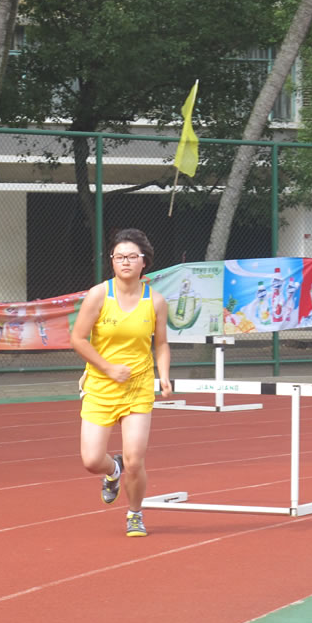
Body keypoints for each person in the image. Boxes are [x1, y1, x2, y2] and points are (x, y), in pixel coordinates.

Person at [70, 228, 172, 537]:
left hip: (138, 387)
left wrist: (164, 375)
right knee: (91, 460)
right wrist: (107, 368)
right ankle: (113, 471)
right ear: (112, 261)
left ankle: (135, 513)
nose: (125, 262)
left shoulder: (155, 301)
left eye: (131, 256)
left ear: (144, 261)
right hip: (101, 386)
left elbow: (161, 344)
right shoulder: (99, 295)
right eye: (119, 257)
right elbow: (78, 339)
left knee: (135, 459)